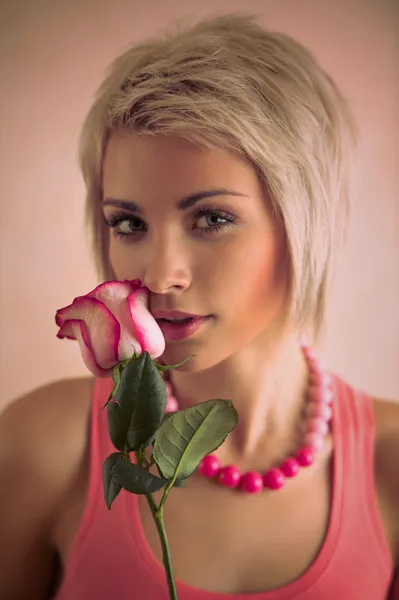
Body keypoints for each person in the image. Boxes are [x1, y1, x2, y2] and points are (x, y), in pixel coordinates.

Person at [0, 13, 398, 600]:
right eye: (128, 223)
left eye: (211, 219)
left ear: (302, 220)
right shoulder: (44, 447)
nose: (160, 274)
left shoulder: (390, 463)